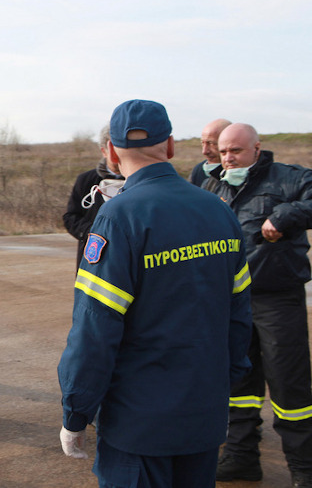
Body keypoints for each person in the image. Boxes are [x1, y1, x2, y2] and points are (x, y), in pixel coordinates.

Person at [57, 100, 253, 487]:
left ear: (111, 153)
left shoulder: (118, 217)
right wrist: (219, 387)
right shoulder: (219, 210)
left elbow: (95, 330)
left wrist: (75, 412)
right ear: (171, 146)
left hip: (140, 426)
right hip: (203, 416)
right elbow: (239, 314)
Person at [210, 123, 312, 487]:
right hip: (233, 301)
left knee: (290, 385)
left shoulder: (287, 177)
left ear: (256, 148)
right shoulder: (217, 185)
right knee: (239, 381)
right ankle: (241, 457)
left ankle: (303, 468)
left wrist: (285, 216)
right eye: (223, 152)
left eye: (235, 150)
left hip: (277, 298)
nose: (228, 158)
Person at [62, 125, 124, 270]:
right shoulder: (86, 180)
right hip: (92, 258)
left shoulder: (138, 181)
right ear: (104, 151)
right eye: (115, 150)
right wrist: (95, 234)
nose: (119, 155)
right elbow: (70, 217)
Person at [188, 118, 231, 187]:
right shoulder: (199, 171)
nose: (204, 151)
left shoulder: (243, 173)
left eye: (211, 143)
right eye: (202, 143)